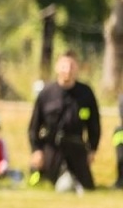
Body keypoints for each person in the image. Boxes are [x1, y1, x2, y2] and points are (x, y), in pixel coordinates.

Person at [28, 52, 100, 191]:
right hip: (52, 148)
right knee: (48, 184)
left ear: (77, 68)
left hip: (77, 148)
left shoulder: (86, 93)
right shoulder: (46, 93)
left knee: (87, 187)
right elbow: (34, 126)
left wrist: (92, 149)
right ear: (57, 67)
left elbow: (94, 125)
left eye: (71, 66)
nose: (67, 70)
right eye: (64, 66)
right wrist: (36, 150)